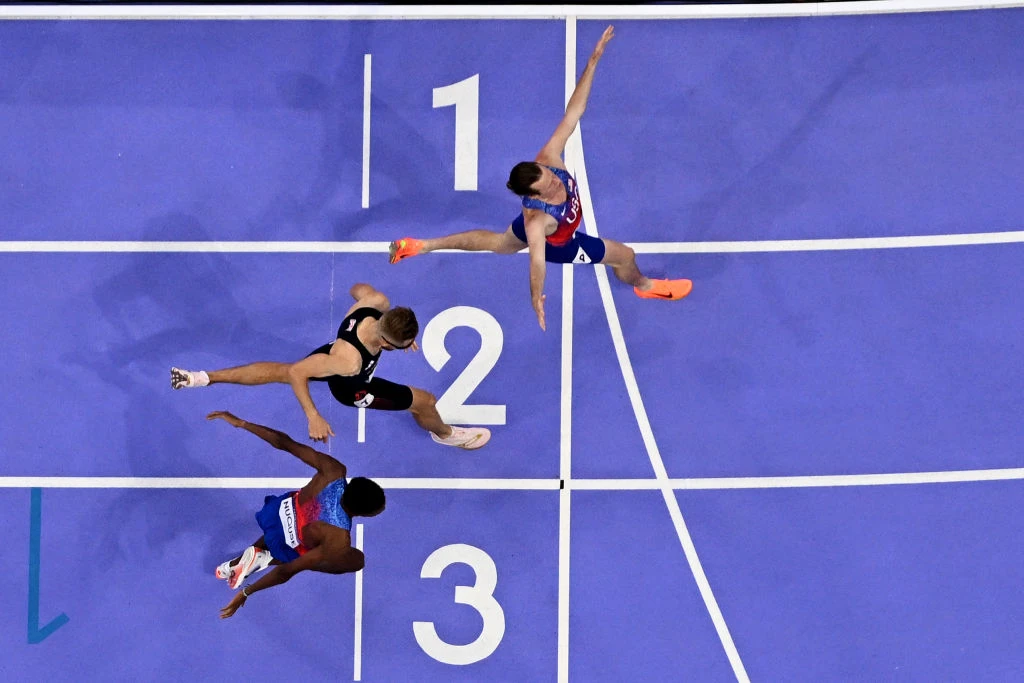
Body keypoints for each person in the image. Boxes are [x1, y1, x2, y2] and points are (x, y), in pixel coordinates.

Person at [387, 25, 692, 330]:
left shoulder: (548, 158)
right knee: (624, 255)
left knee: (497, 243)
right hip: (562, 242)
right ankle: (645, 285)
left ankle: (422, 245)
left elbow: (573, 113)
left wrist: (593, 62)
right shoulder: (537, 222)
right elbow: (537, 262)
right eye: (548, 186)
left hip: (539, 229)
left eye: (550, 176)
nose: (556, 181)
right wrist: (536, 297)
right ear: (534, 195)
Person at [170, 282, 489, 449]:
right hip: (353, 386)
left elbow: (358, 288)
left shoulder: (374, 304)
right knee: (426, 402)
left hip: (341, 345)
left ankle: (202, 378)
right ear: (389, 344)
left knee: (279, 370)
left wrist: (401, 334)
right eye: (404, 344)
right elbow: (299, 375)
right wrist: (314, 416)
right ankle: (446, 434)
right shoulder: (347, 363)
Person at [205, 410, 382, 619]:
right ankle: (261, 559)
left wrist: (242, 423)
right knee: (354, 560)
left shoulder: (334, 471)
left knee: (288, 525)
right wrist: (246, 593)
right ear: (364, 514)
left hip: (275, 512)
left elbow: (283, 442)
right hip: (285, 542)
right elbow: (287, 571)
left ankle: (248, 558)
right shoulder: (338, 539)